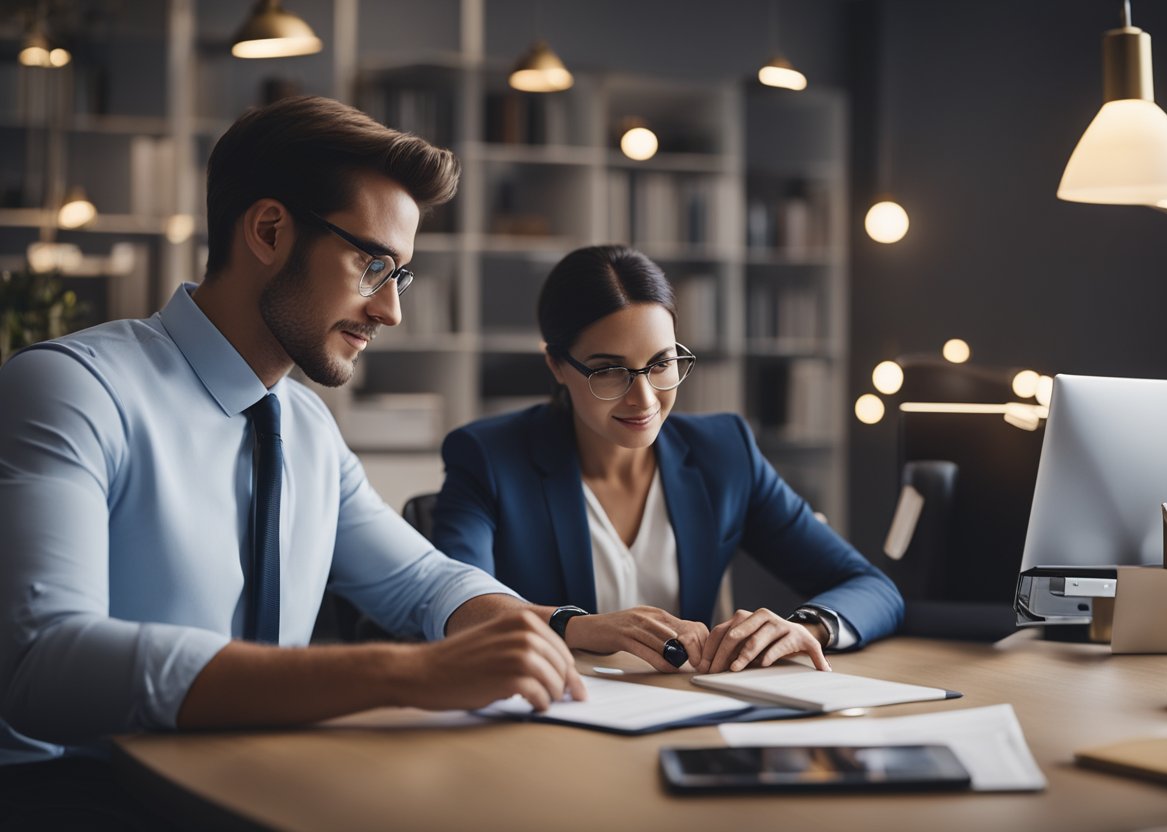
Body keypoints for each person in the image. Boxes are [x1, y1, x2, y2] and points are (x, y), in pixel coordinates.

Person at [0, 96, 585, 809]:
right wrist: (403, 674)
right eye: (373, 265)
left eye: (398, 276)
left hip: (265, 789)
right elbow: (41, 667)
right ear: (270, 231)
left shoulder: (305, 427)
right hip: (78, 798)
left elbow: (424, 584)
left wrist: (558, 628)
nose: (390, 311)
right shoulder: (71, 388)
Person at [432, 245, 903, 675]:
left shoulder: (724, 452)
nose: (644, 399)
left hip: (687, 717)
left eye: (661, 364)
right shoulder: (489, 457)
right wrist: (579, 627)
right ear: (556, 365)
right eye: (609, 371)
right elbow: (454, 607)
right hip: (550, 720)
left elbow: (872, 587)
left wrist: (806, 627)